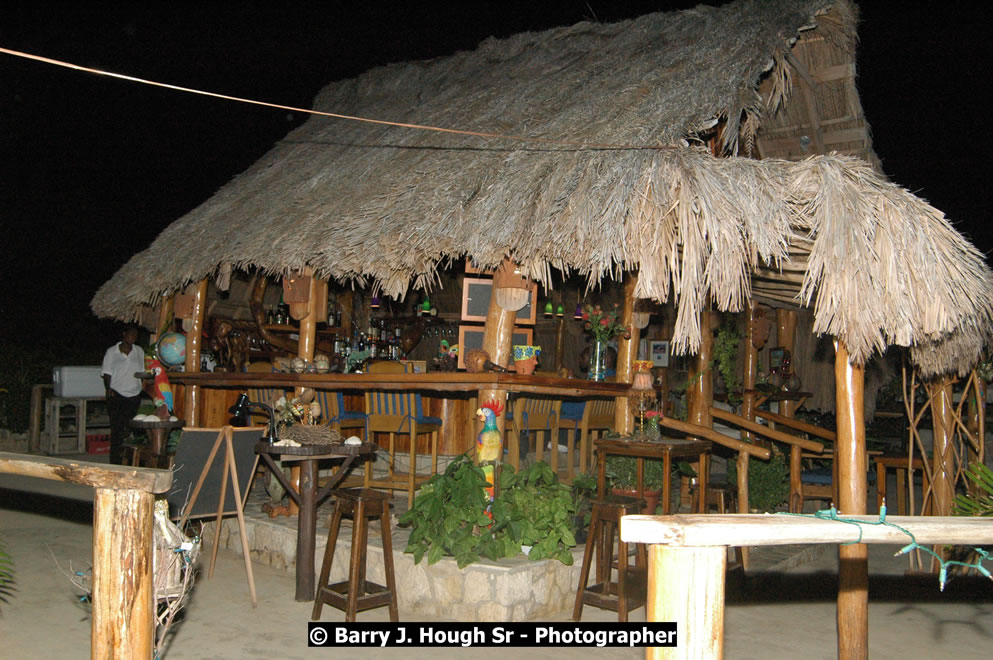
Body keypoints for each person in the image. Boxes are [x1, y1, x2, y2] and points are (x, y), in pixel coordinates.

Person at [102, 325, 145, 464]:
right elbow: (106, 372)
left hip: (133, 394)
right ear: (124, 334)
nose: (133, 337)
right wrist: (108, 388)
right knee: (117, 429)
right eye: (131, 334)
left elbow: (141, 371)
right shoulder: (112, 352)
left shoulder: (139, 351)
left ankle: (129, 459)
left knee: (130, 428)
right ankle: (115, 461)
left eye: (136, 336)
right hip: (117, 393)